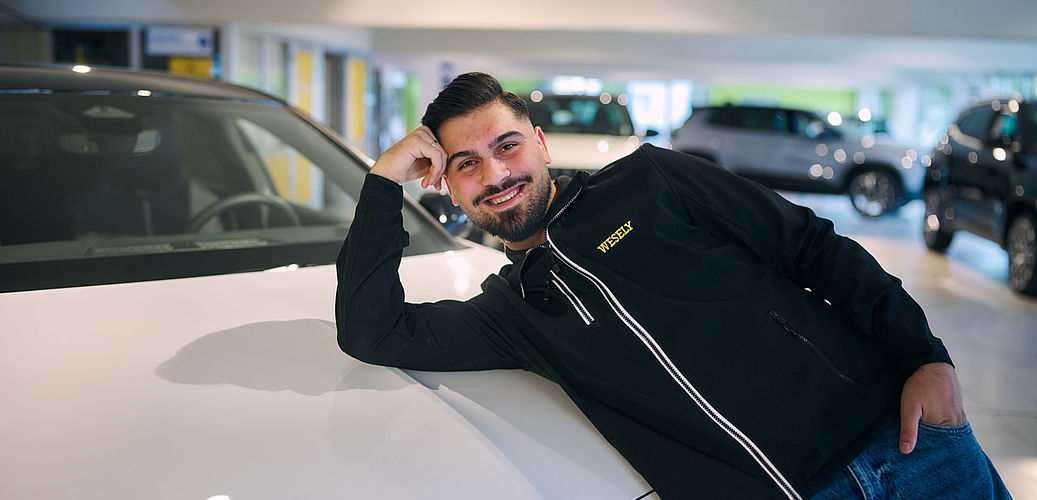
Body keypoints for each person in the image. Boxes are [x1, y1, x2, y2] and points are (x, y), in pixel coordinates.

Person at [335, 72, 1011, 499]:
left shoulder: (651, 179)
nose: (495, 173)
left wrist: (924, 355)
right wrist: (380, 181)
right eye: (466, 164)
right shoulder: (512, 312)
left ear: (539, 143)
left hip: (904, 450)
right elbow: (372, 329)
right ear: (448, 187)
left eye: (506, 145)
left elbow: (811, 247)